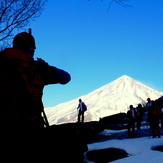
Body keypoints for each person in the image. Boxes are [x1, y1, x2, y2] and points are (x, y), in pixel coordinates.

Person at [0, 31, 71, 161]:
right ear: (31, 48)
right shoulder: (36, 68)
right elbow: (66, 77)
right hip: (32, 129)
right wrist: (46, 67)